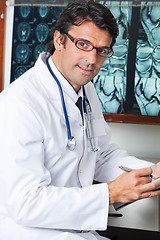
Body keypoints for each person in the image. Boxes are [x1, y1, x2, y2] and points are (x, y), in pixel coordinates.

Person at [0, 1, 160, 240]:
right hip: (31, 232)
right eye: (83, 44)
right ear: (59, 40)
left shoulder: (85, 90)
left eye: (102, 50)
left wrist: (151, 172)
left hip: (73, 228)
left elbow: (100, 154)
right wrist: (110, 194)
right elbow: (26, 203)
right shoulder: (18, 104)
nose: (92, 60)